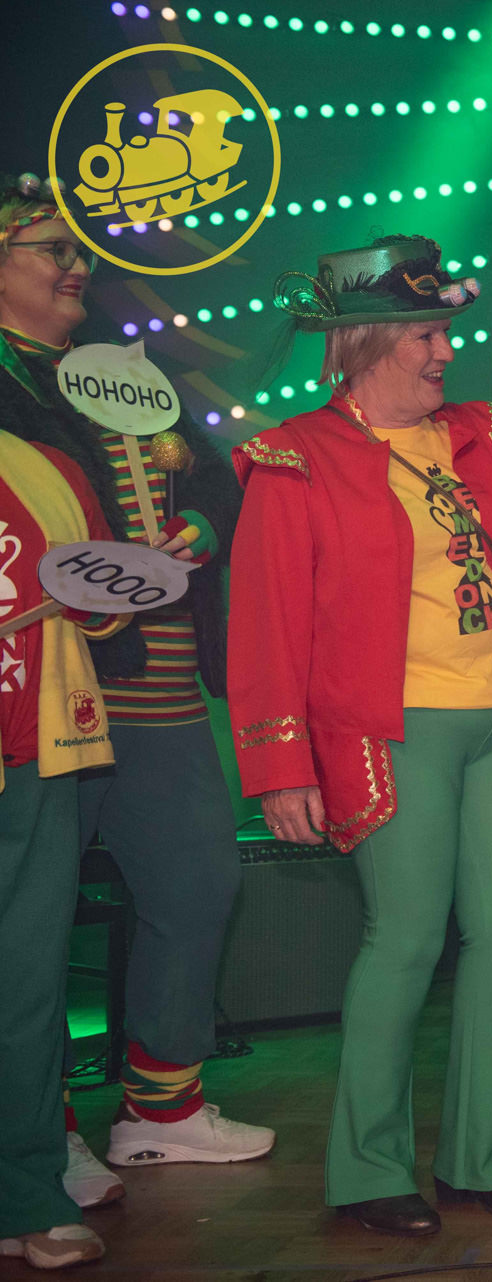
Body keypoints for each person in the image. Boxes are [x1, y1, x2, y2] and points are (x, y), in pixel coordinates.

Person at [226, 235, 492, 1236]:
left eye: (444, 331)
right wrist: (281, 766)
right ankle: (371, 1170)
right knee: (406, 937)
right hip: (392, 725)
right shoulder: (299, 456)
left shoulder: (470, 438)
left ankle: (482, 1159)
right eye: (425, 333)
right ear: (366, 343)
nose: (446, 351)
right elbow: (267, 624)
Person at [0, 173, 264, 1193]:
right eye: (51, 251)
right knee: (33, 923)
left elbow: (212, 476)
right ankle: (43, 1131)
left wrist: (198, 524)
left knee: (199, 882)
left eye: (81, 253)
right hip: (51, 686)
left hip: (161, 686)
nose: (76, 268)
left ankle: (162, 1106)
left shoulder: (117, 366)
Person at [0, 384, 127, 1271]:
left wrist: (107, 588)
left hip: (34, 755)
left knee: (27, 984)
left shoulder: (47, 467)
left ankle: (26, 1193)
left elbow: (108, 602)